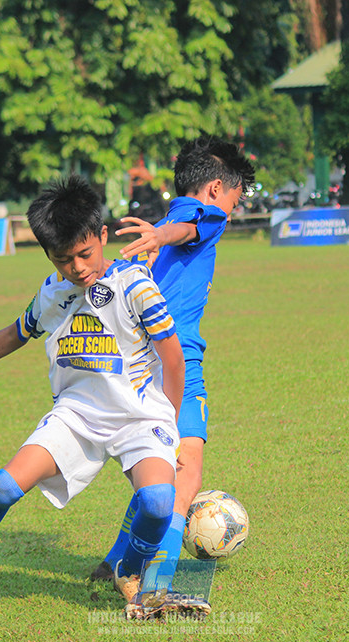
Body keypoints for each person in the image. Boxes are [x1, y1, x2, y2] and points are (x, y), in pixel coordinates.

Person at [0, 175, 185, 619]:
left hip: (140, 418)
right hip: (76, 417)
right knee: (4, 488)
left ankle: (131, 571)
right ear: (49, 256)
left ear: (102, 237)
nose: (78, 268)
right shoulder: (53, 292)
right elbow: (13, 335)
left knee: (159, 502)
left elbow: (173, 358)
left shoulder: (135, 285)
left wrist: (170, 429)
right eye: (65, 260)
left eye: (86, 254)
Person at [89, 136, 255, 617]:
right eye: (235, 197)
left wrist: (158, 237)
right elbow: (191, 229)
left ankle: (116, 561)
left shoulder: (159, 223)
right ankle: (157, 584)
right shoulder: (197, 220)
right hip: (177, 355)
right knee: (188, 467)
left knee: (157, 461)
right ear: (215, 189)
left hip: (136, 361)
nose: (233, 207)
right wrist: (165, 237)